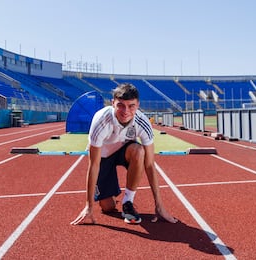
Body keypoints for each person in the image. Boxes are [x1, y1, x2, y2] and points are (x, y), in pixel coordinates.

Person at [71, 83, 177, 225]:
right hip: (103, 156)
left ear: (138, 105)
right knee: (108, 207)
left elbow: (150, 164)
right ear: (113, 103)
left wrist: (159, 205)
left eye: (131, 106)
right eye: (120, 105)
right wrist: (89, 206)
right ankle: (111, 194)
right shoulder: (101, 120)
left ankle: (128, 201)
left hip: (125, 151)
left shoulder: (142, 122)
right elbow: (94, 164)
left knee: (139, 151)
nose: (125, 111)